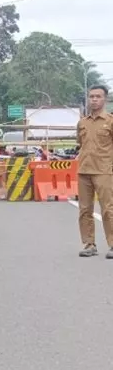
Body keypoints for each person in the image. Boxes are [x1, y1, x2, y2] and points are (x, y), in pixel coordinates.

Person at [76, 84, 113, 258]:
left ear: (104, 99)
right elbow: (80, 144)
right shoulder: (82, 122)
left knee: (108, 209)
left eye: (98, 96)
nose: (94, 99)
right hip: (84, 171)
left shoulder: (110, 121)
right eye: (91, 96)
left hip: (104, 171)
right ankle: (89, 244)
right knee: (85, 209)